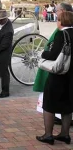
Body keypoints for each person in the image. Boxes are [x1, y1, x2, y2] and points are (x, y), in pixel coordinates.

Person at [36, 11, 73, 145]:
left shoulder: (61, 34)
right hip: (71, 76)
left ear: (61, 22)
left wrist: (42, 53)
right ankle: (65, 134)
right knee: (67, 105)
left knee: (49, 104)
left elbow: (53, 55)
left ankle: (48, 135)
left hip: (59, 75)